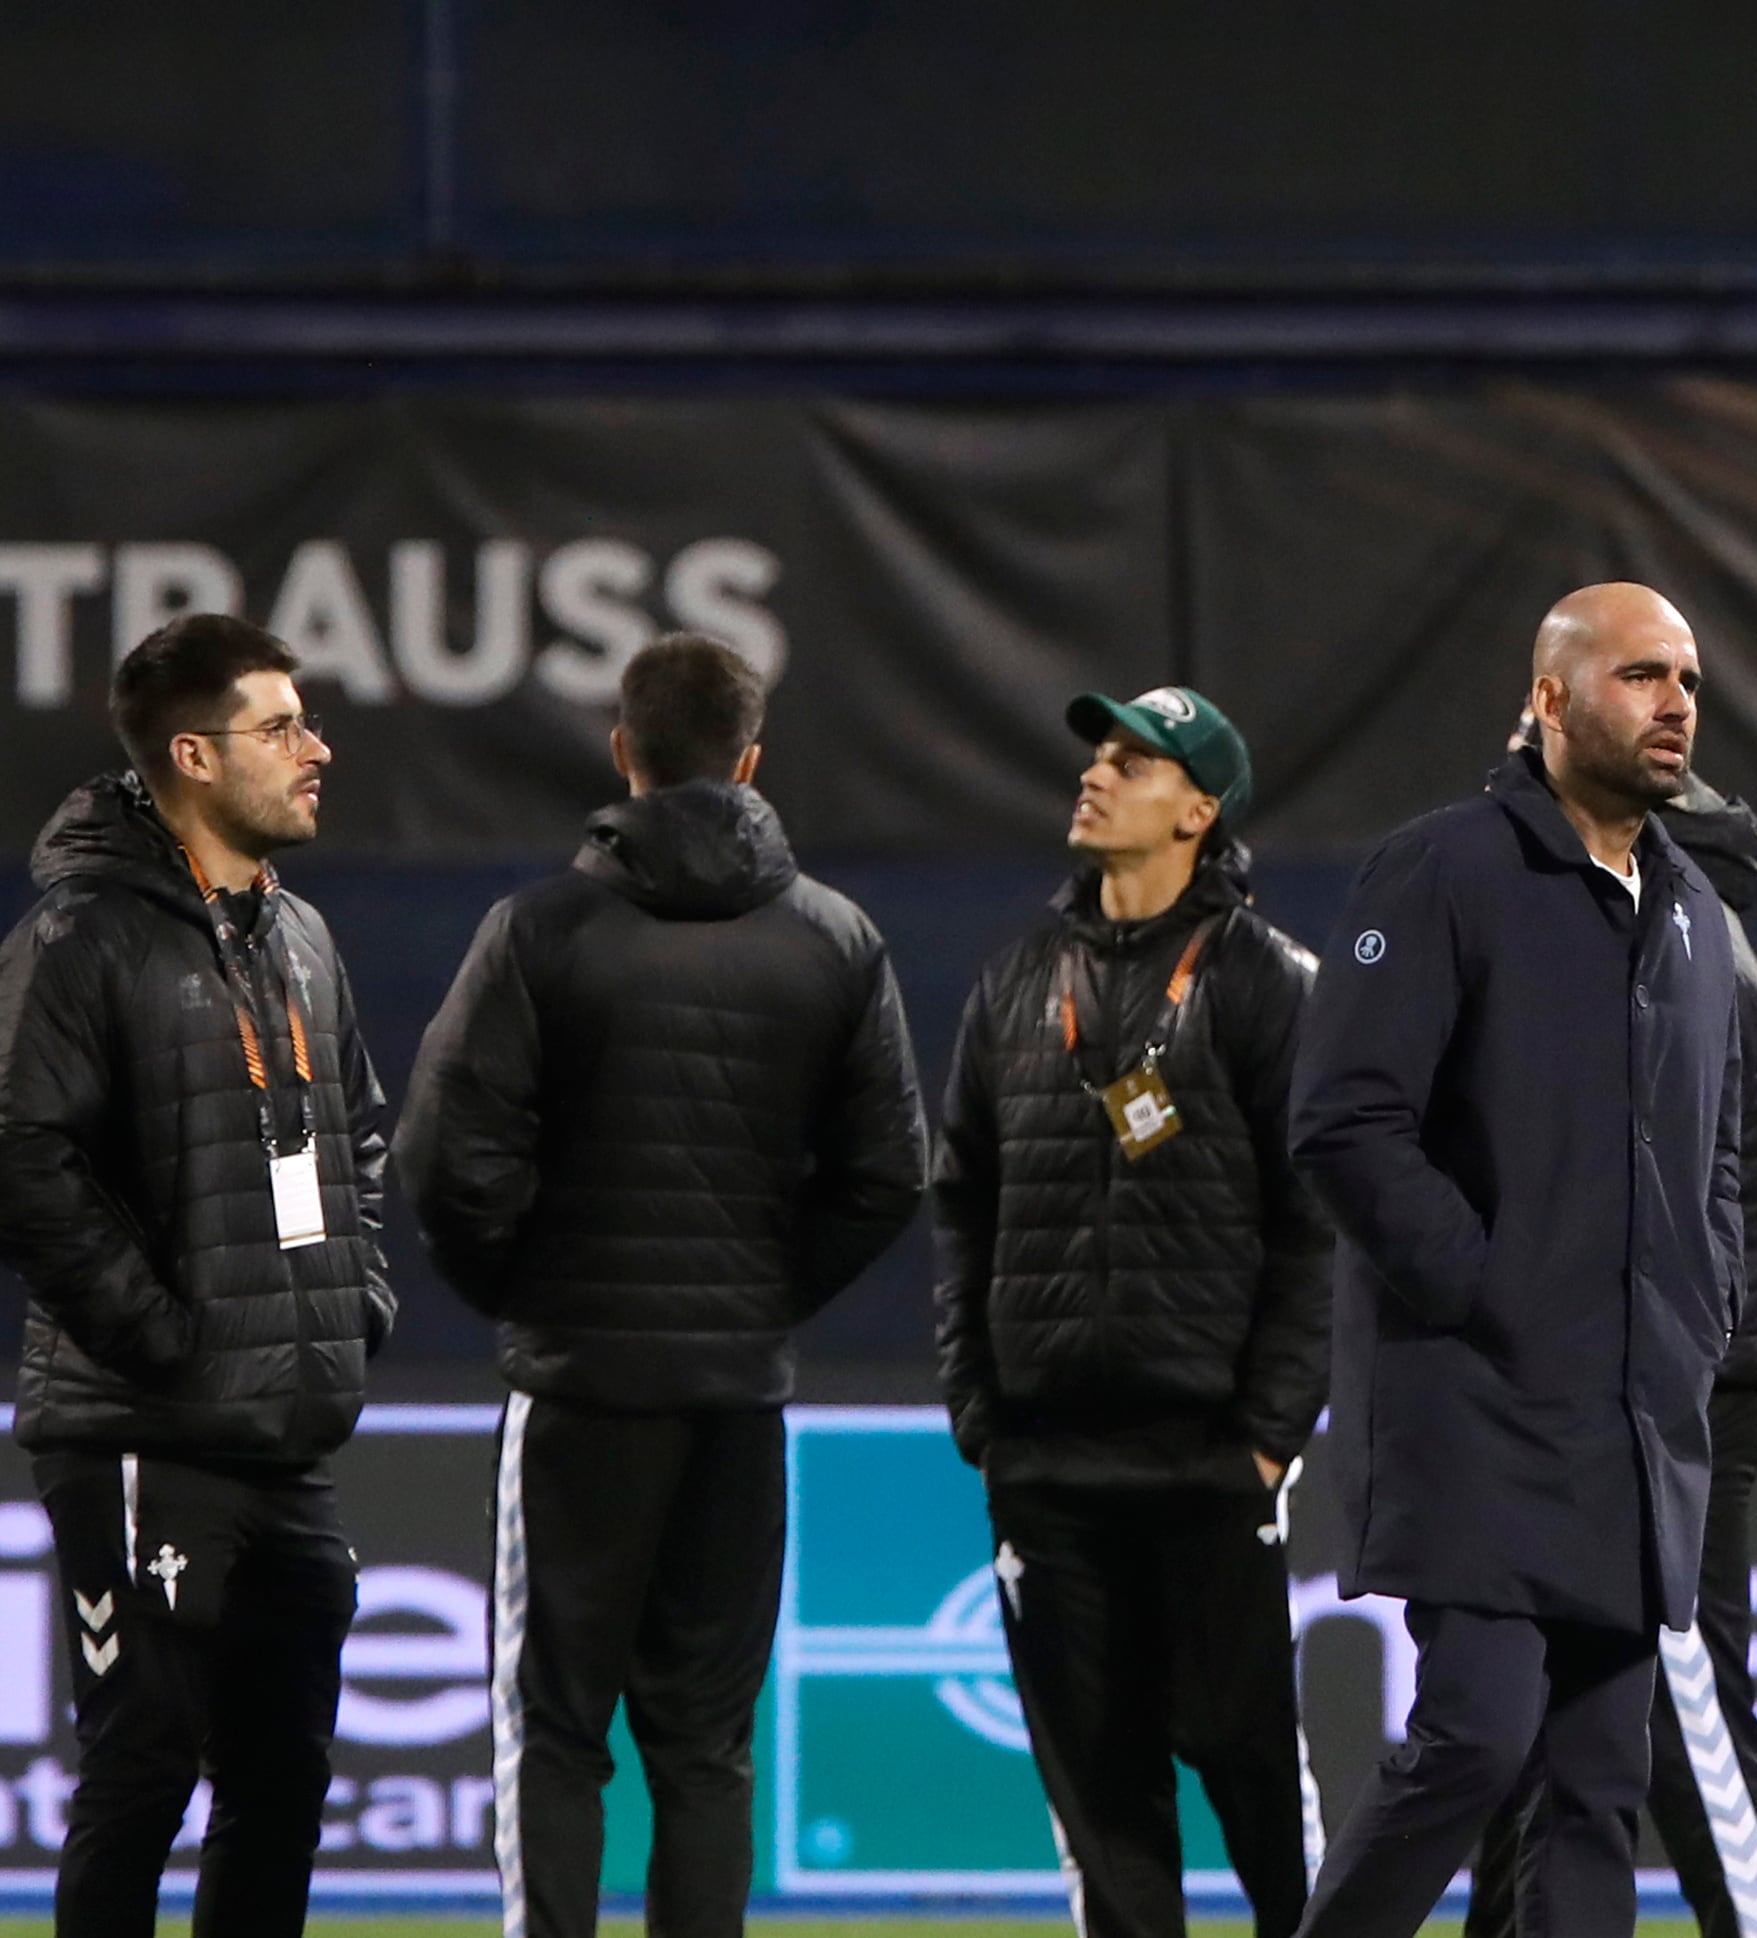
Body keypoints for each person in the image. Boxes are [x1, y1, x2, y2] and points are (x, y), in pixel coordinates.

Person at [394, 633, 926, 1938]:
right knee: (705, 1743)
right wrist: (758, 1295)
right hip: (735, 1392)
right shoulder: (834, 938)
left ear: (621, 751)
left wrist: (533, 1293)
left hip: (579, 1390)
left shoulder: (538, 931)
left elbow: (443, 1161)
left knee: (554, 1731)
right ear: (750, 761)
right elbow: (887, 1174)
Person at [1286, 582, 1745, 1938]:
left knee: (1598, 1787)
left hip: (1628, 1419)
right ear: (1549, 697)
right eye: (1640, 675)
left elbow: (1712, 1151)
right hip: (1479, 1400)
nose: (1675, 704)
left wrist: (1696, 1310)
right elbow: (1342, 1122)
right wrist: (1489, 1288)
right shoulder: (1441, 867)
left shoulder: (1689, 906)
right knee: (1477, 1735)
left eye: (1688, 680)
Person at [0, 614, 392, 1938]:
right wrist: (161, 1333)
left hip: (283, 1434)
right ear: (193, 756)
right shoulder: (81, 937)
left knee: (281, 1786)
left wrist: (354, 1297)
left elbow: (358, 1135)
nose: (315, 749)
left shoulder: (302, 936)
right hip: (138, 1428)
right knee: (143, 1768)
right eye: (280, 727)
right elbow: (20, 1153)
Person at [931, 684, 1329, 1938]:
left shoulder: (1268, 983)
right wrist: (982, 1414)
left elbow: (1319, 1227)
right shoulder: (1014, 982)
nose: (1095, 776)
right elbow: (961, 1205)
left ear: (1199, 812)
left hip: (1206, 1455)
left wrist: (1265, 1437)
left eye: (1133, 763)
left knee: (1254, 1778)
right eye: (1097, 757)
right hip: (1047, 1465)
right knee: (1101, 1808)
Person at [1464, 755, 1757, 1938]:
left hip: (1670, 1388)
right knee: (1531, 1728)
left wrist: (1660, 1371)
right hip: (1601, 1379)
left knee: (1687, 1716)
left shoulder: (1683, 941)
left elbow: (1677, 1208)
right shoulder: (1615, 931)